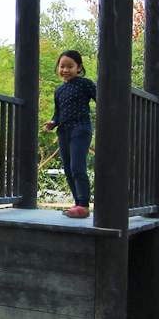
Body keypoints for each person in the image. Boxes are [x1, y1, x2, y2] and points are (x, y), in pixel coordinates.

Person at [44, 50, 96, 219]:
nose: (65, 70)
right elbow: (58, 113)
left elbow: (101, 98)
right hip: (64, 131)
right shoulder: (59, 90)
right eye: (62, 66)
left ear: (79, 68)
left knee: (77, 167)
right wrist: (53, 122)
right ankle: (77, 203)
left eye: (70, 66)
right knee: (68, 168)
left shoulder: (85, 84)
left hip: (81, 128)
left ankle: (83, 205)